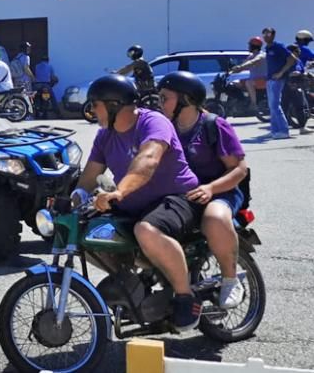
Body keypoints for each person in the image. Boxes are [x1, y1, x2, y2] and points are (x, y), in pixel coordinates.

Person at [77, 74, 203, 331]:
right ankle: (132, 287)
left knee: (146, 230)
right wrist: (73, 198)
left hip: (176, 198)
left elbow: (148, 160)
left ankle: (185, 297)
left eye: (95, 104)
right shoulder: (105, 135)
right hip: (134, 202)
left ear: (113, 105)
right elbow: (90, 174)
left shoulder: (153, 122)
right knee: (90, 231)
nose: (91, 110)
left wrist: (119, 192)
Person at [157, 71, 248, 309]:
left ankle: (230, 280)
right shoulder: (164, 127)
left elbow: (239, 170)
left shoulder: (213, 125)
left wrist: (210, 188)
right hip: (183, 195)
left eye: (165, 98)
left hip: (221, 191)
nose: (160, 103)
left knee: (214, 219)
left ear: (185, 100)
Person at [262, 27, 296, 139]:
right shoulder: (267, 48)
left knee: (275, 105)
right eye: (264, 34)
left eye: (268, 34)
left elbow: (292, 59)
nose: (266, 36)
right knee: (271, 106)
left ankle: (284, 130)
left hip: (278, 79)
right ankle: (275, 130)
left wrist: (281, 73)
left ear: (273, 35)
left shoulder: (279, 46)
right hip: (270, 79)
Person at [229, 37, 266, 112]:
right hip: (255, 80)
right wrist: (231, 71)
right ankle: (242, 100)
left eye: (250, 45)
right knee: (234, 83)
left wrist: (240, 67)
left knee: (248, 82)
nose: (248, 47)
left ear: (254, 46)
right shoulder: (251, 56)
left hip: (264, 80)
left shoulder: (261, 55)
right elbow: (244, 65)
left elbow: (252, 62)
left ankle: (254, 104)